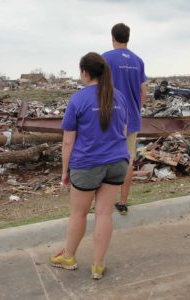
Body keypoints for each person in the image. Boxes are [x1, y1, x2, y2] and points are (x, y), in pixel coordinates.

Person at [50, 52, 130, 279]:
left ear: (85, 73)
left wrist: (65, 170)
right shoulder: (119, 97)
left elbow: (68, 140)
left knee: (78, 214)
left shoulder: (78, 99)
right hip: (117, 162)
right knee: (104, 213)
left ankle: (68, 257)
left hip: (86, 164)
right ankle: (98, 265)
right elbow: (123, 131)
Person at [103, 23, 147, 215]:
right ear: (128, 37)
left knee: (105, 159)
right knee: (128, 160)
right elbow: (143, 92)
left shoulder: (105, 58)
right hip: (133, 119)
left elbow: (98, 88)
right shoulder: (138, 61)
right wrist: (136, 109)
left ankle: (103, 203)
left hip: (111, 119)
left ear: (113, 37)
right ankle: (122, 201)